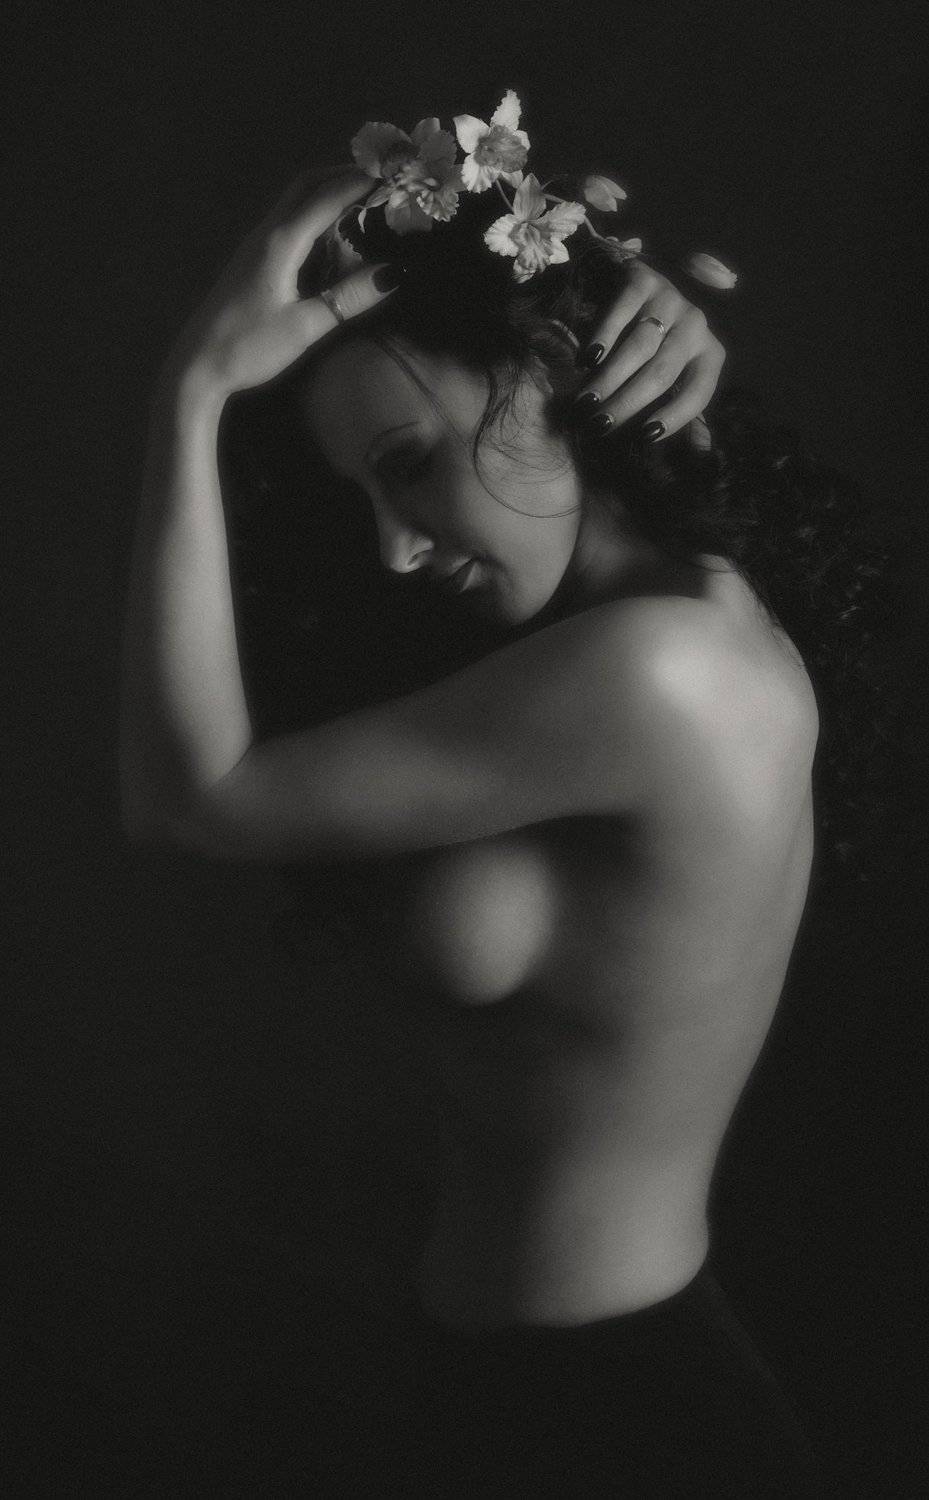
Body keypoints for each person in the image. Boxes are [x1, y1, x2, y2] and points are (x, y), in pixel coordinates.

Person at [119, 91, 904, 1494]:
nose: (394, 551)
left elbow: (189, 799)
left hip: (618, 1423)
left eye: (410, 466)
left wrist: (190, 394)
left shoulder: (655, 672)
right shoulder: (667, 605)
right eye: (366, 496)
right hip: (536, 1395)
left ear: (550, 369)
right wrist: (600, 298)